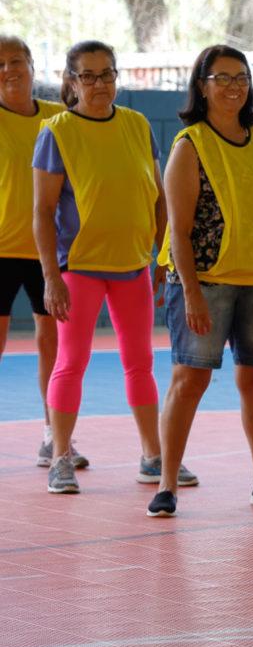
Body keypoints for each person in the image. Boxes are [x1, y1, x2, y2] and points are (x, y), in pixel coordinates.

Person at [147, 45, 253, 518]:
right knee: (188, 379)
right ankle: (167, 482)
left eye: (241, 77)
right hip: (206, 282)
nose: (234, 86)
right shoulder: (190, 145)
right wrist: (190, 292)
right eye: (222, 77)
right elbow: (179, 229)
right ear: (202, 85)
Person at [32, 40, 174, 494]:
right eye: (88, 76)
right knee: (71, 362)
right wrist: (52, 277)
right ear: (71, 82)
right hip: (80, 268)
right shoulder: (57, 132)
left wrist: (163, 254)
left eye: (107, 74)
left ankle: (154, 457)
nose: (99, 84)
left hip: (133, 266)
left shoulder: (137, 125)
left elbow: (158, 197)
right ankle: (60, 457)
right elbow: (42, 211)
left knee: (141, 363)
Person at [0, 35, 64, 467]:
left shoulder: (58, 119)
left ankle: (53, 435)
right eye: (0, 63)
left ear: (32, 66)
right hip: (1, 250)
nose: (9, 70)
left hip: (49, 252)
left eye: (17, 61)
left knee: (53, 343)